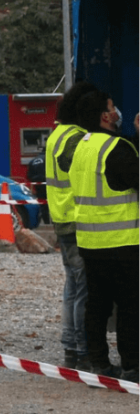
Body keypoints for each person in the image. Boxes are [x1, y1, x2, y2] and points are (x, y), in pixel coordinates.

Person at [69, 90, 138, 381]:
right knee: (129, 306)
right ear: (105, 116)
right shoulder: (117, 148)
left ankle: (99, 363)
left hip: (89, 241)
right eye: (112, 107)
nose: (116, 111)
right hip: (121, 242)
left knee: (97, 305)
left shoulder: (82, 146)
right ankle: (132, 365)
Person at [45, 80, 96, 368]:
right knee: (83, 289)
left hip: (62, 220)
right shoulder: (75, 139)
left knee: (73, 288)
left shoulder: (57, 134)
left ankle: (70, 347)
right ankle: (81, 348)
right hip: (76, 220)